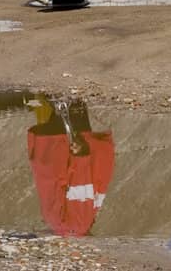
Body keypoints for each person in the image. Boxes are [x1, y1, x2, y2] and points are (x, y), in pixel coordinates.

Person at [26, 97, 115, 237]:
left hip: (66, 152)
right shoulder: (61, 226)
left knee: (70, 102)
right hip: (52, 153)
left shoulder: (78, 226)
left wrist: (81, 156)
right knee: (60, 102)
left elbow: (80, 188)